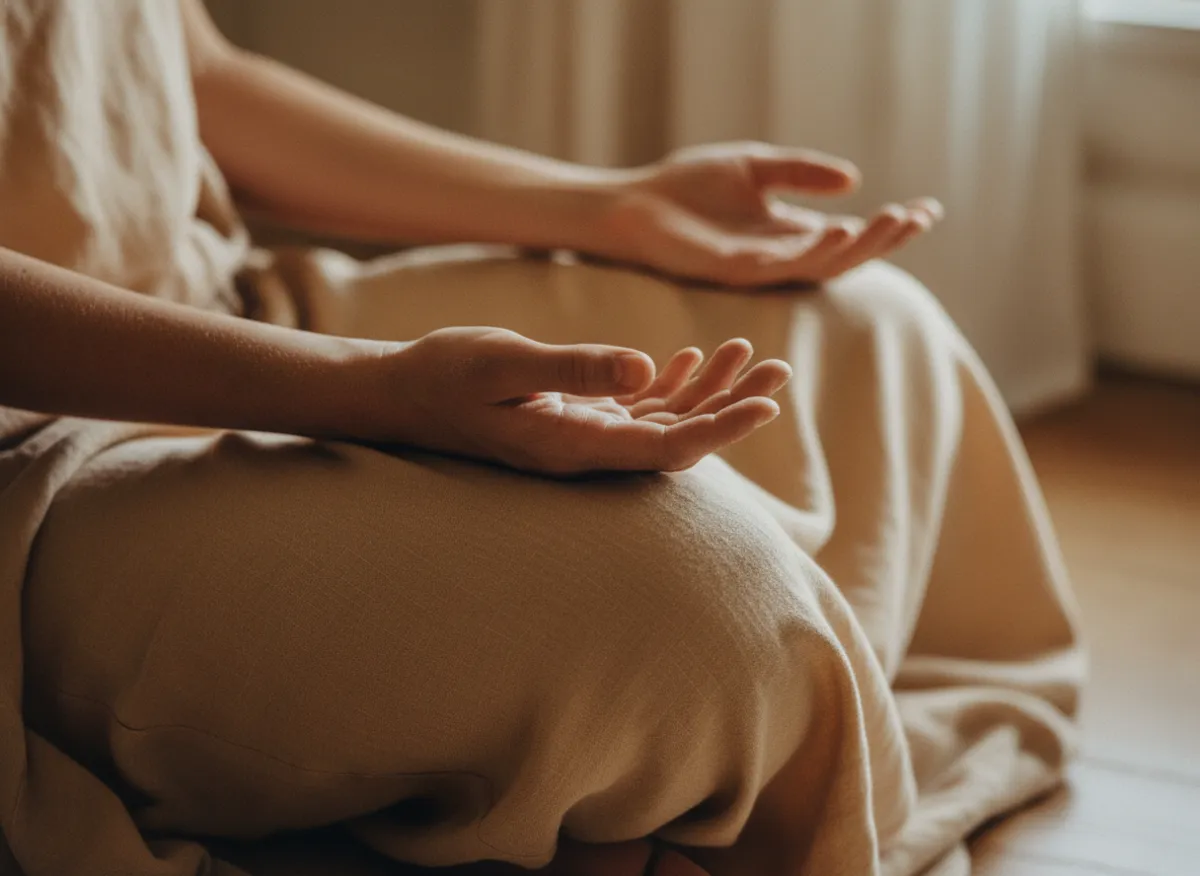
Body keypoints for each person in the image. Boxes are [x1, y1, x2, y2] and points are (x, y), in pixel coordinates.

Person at [0, 2, 1084, 875]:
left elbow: (196, 74)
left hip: (222, 308)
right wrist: (374, 396)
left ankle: (662, 777)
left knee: (865, 330)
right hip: (33, 458)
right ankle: (689, 766)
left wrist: (612, 207)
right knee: (703, 586)